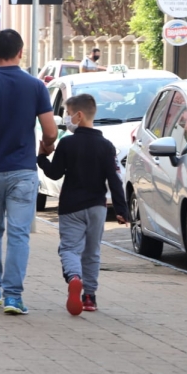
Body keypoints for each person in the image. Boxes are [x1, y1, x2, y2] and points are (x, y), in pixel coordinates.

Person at [0, 29, 58, 315]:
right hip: (23, 172)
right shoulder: (36, 86)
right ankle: (13, 297)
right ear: (21, 52)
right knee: (19, 234)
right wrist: (46, 145)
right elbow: (50, 130)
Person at [37, 94, 128, 315]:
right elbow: (114, 179)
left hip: (71, 207)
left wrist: (41, 157)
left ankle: (74, 278)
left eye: (68, 114)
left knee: (69, 248)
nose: (66, 119)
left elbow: (56, 174)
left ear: (78, 115)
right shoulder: (107, 146)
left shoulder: (67, 142)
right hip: (97, 207)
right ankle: (89, 297)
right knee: (92, 252)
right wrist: (121, 210)